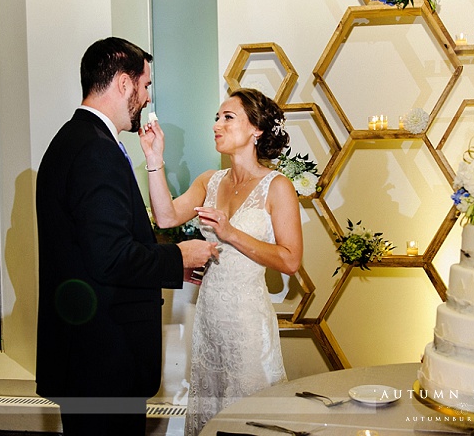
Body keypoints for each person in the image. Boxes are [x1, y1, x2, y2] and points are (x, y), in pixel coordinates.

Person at [34, 37, 219, 436]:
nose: (147, 98)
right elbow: (110, 256)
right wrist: (179, 258)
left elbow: (92, 249)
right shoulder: (96, 150)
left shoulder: (71, 140)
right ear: (123, 83)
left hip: (84, 355)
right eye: (146, 85)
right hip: (103, 358)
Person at [139, 88, 303, 435]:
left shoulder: (278, 187)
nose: (217, 125)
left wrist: (230, 234)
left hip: (247, 324)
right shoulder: (209, 181)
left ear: (256, 129)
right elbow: (165, 217)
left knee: (248, 416)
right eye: (216, 117)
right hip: (209, 319)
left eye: (228, 117)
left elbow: (290, 261)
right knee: (210, 416)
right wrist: (154, 159)